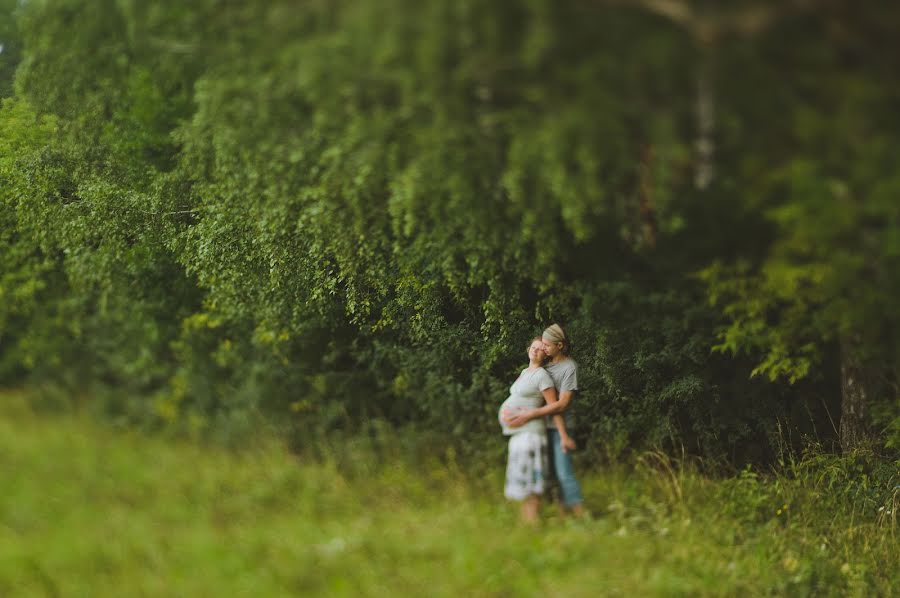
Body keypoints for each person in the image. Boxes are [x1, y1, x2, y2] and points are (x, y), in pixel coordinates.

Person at [505, 324, 585, 516]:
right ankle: (560, 513)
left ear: (560, 346)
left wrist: (529, 414)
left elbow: (562, 404)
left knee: (563, 472)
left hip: (560, 427)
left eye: (548, 345)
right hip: (541, 427)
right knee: (547, 475)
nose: (544, 348)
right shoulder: (545, 365)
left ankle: (581, 515)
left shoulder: (569, 368)